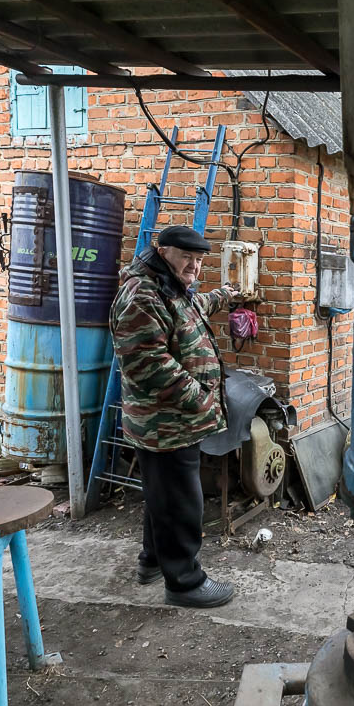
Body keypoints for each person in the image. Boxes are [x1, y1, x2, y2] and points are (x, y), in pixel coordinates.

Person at [110, 226, 239, 608]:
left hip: (172, 422)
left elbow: (193, 310)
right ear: (163, 251)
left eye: (200, 261)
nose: (195, 268)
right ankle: (184, 581)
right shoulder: (142, 294)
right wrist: (200, 399)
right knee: (182, 500)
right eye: (188, 259)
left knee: (161, 495)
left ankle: (152, 561)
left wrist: (224, 297)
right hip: (166, 422)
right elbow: (148, 363)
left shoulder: (167, 286)